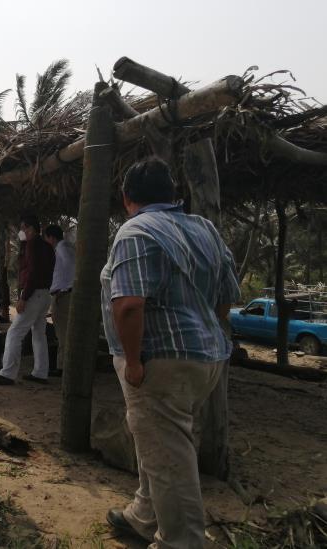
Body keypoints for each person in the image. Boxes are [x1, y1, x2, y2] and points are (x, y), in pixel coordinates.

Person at [100, 157, 240, 548]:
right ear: (173, 195)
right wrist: (200, 332)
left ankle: (182, 540)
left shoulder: (136, 230)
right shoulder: (205, 228)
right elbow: (227, 297)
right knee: (162, 442)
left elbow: (128, 304)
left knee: (169, 455)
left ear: (127, 197)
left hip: (159, 360)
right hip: (205, 358)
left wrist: (133, 362)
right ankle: (143, 515)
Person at [0, 214, 55, 385]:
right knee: (39, 334)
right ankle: (41, 372)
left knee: (14, 333)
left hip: (33, 294)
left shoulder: (32, 245)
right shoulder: (46, 246)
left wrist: (24, 297)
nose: (20, 232)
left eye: (23, 228)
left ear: (30, 229)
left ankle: (7, 374)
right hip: (45, 293)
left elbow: (32, 272)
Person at [43, 224, 75, 377]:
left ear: (51, 237)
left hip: (63, 295)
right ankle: (63, 365)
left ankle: (63, 367)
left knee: (63, 333)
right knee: (63, 332)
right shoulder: (66, 247)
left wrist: (66, 288)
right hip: (63, 294)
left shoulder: (62, 249)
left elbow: (72, 268)